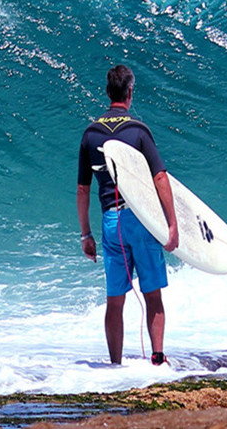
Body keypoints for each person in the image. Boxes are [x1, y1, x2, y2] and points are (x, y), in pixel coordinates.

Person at [77, 65, 179, 365]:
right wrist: (172, 225)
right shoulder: (139, 131)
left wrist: (86, 235)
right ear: (130, 92)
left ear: (108, 92)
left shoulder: (91, 133)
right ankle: (158, 358)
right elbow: (160, 177)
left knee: (115, 300)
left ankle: (115, 367)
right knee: (152, 294)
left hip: (111, 222)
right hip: (143, 221)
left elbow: (83, 190)